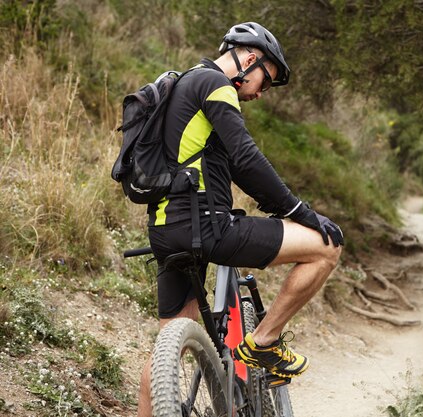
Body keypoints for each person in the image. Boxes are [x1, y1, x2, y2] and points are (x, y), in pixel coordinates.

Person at [137, 22, 343, 416]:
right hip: (209, 229)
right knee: (326, 248)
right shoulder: (215, 84)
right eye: (266, 81)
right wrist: (300, 212)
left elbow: (236, 168)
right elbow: (247, 157)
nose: (261, 94)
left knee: (168, 344)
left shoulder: (181, 89)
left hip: (165, 231)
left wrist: (278, 203)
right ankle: (263, 342)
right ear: (250, 60)